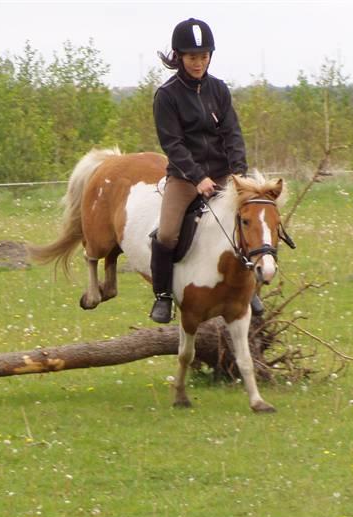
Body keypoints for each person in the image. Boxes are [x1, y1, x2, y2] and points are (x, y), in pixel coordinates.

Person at [150, 17, 262, 323]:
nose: (199, 63)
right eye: (191, 57)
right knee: (168, 234)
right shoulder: (167, 96)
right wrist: (198, 177)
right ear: (178, 57)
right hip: (185, 177)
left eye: (203, 56)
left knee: (248, 223)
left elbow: (232, 133)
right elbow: (173, 144)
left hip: (225, 173)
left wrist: (239, 174)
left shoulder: (219, 90)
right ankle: (162, 296)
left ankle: (251, 290)